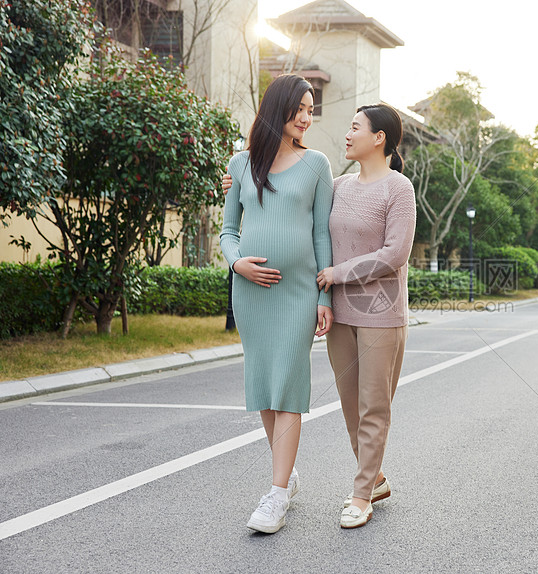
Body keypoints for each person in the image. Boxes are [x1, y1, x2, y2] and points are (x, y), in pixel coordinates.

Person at [219, 74, 333, 534]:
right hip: (251, 292)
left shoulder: (317, 165)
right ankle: (286, 476)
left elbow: (322, 233)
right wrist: (236, 264)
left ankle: (277, 494)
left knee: (287, 383)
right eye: (300, 108)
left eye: (311, 109)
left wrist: (325, 293)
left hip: (298, 293)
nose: (307, 117)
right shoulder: (241, 164)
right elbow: (228, 230)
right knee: (266, 385)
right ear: (278, 108)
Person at [316, 103, 416, 529]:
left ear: (379, 138)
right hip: (340, 315)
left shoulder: (399, 189)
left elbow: (395, 253)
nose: (347, 133)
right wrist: (237, 181)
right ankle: (374, 478)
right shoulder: (337, 185)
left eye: (355, 127)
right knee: (351, 407)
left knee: (374, 407)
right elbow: (292, 197)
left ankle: (360, 496)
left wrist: (338, 273)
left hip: (381, 314)